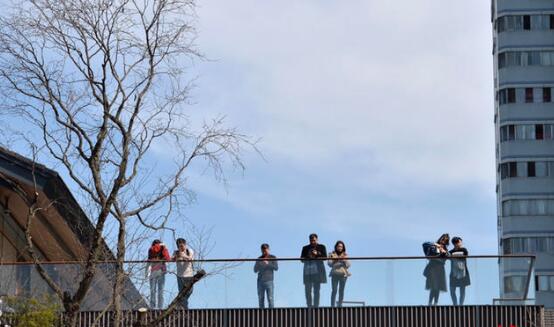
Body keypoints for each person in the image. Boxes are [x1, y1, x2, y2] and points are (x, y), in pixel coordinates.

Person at [300, 233, 327, 308]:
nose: (313, 242)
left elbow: (325, 257)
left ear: (317, 239)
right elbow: (301, 259)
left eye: (314, 240)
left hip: (318, 272)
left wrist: (317, 253)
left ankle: (316, 305)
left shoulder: (321, 247)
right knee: (307, 290)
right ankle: (309, 305)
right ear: (309, 240)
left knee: (316, 290)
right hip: (308, 271)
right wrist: (307, 257)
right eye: (311, 240)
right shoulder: (305, 248)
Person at [423, 233, 449, 306]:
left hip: (440, 268)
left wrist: (444, 252)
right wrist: (435, 244)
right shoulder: (434, 246)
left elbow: (448, 257)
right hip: (433, 267)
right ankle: (430, 302)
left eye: (445, 241)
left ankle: (436, 303)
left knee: (438, 287)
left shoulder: (445, 249)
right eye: (442, 239)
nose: (443, 241)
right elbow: (424, 244)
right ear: (440, 238)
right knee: (433, 286)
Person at [253, 243, 278, 308]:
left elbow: (276, 268)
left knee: (270, 298)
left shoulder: (273, 257)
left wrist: (268, 264)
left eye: (265, 249)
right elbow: (255, 270)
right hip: (260, 281)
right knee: (261, 298)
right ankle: (262, 314)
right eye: (262, 250)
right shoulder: (259, 259)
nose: (264, 251)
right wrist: (259, 265)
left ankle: (271, 314)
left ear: (268, 249)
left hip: (269, 280)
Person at [147, 239, 170, 309]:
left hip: (152, 271)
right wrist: (164, 247)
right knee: (161, 290)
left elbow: (148, 260)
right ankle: (160, 307)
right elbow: (167, 258)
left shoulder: (151, 249)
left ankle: (152, 307)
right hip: (161, 271)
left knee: (152, 291)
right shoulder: (162, 248)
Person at [173, 238, 194, 309]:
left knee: (190, 291)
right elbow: (171, 259)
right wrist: (177, 257)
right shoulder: (176, 252)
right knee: (181, 292)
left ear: (185, 245)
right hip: (180, 275)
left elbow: (190, 259)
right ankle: (184, 308)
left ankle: (179, 304)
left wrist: (183, 255)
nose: (182, 247)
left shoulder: (189, 251)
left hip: (189, 275)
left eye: (183, 245)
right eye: (180, 246)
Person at [328, 240, 351, 307]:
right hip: (335, 274)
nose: (340, 248)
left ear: (343, 248)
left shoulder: (345, 255)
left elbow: (348, 265)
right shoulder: (331, 254)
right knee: (334, 290)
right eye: (338, 246)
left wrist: (343, 261)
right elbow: (329, 263)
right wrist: (338, 260)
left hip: (343, 275)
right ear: (336, 247)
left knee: (341, 290)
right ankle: (332, 305)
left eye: (341, 246)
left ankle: (340, 305)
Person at [449, 236, 470, 306]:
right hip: (453, 273)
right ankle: (455, 304)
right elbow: (446, 256)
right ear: (456, 243)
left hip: (463, 272)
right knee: (452, 290)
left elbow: (466, 255)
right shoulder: (451, 251)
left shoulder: (464, 249)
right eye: (460, 242)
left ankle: (461, 305)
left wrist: (453, 256)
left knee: (462, 290)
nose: (461, 243)